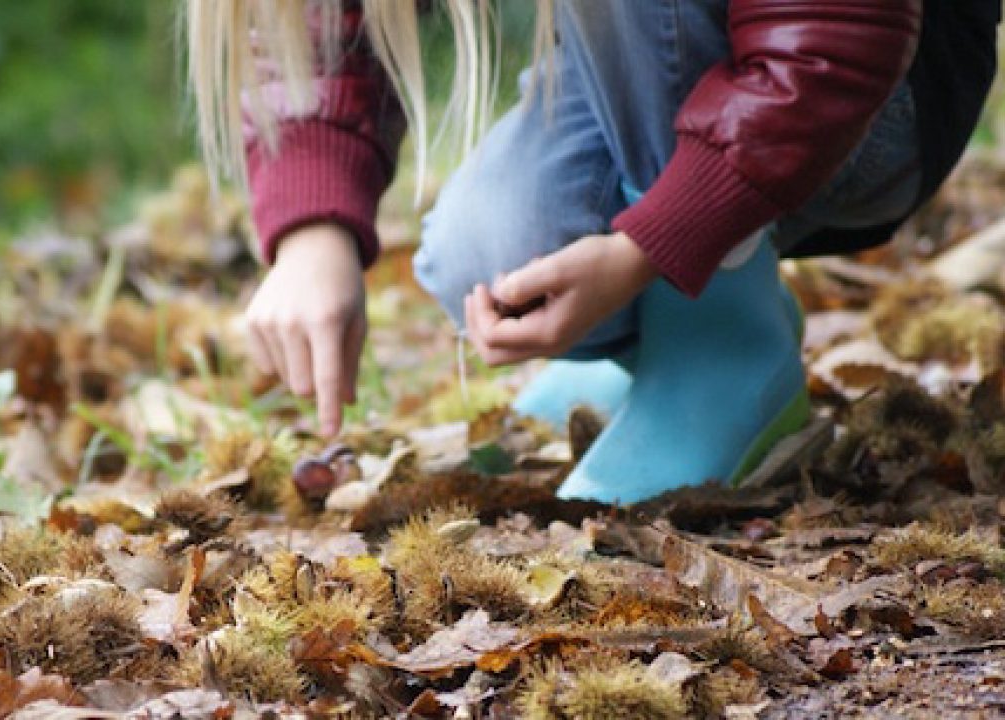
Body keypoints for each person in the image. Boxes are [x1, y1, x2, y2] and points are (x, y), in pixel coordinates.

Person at [186, 1, 999, 504]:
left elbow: (832, 40)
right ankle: (659, 332)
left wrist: (656, 244)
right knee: (485, 255)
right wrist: (311, 233)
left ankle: (719, 342)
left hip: (872, 89)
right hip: (704, 66)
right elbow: (314, 21)